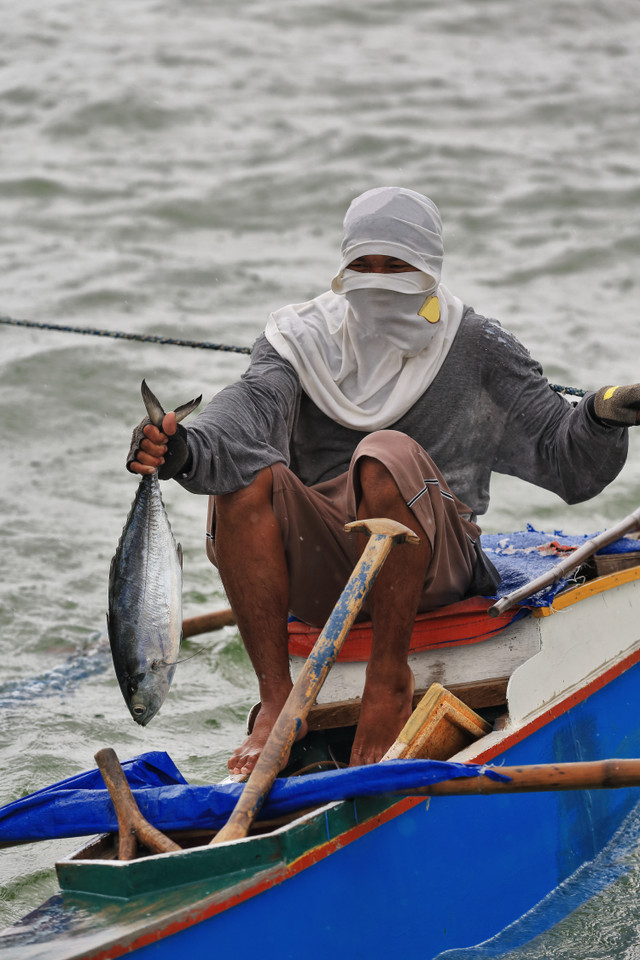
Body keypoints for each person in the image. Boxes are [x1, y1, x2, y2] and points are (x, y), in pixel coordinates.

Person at [127, 186, 640, 775]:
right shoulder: (300, 341)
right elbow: (241, 418)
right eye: (361, 267)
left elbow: (564, 457)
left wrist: (603, 413)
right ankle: (277, 699)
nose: (377, 281)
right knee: (244, 477)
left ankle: (388, 678)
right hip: (324, 572)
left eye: (395, 266)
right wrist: (180, 448)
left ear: (428, 271)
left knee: (385, 454)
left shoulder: (475, 344)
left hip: (437, 568)